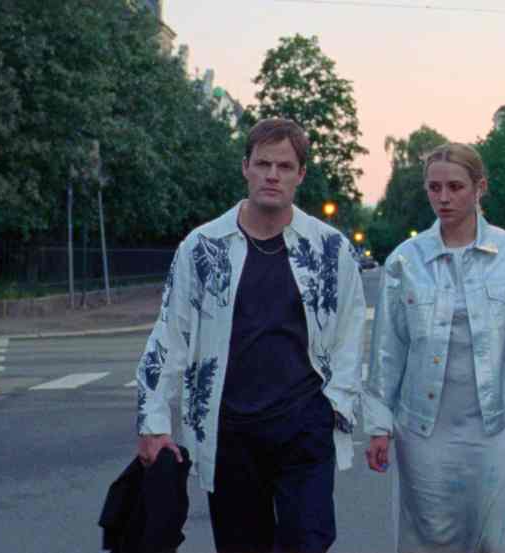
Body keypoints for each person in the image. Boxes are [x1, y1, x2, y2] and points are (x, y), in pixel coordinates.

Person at [135, 118, 366, 553]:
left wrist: (334, 405)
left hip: (304, 425)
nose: (272, 175)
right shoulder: (202, 247)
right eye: (263, 164)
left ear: (301, 174)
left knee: (308, 540)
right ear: (246, 167)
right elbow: (170, 335)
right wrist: (153, 420)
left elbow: (350, 331)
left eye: (284, 166)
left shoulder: (329, 249)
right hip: (229, 430)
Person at [363, 143, 505, 553]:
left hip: (492, 426)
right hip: (422, 428)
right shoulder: (405, 261)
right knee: (428, 533)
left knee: (489, 532)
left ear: (479, 187)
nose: (444, 198)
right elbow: (387, 350)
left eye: (455, 187)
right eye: (434, 188)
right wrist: (379, 426)